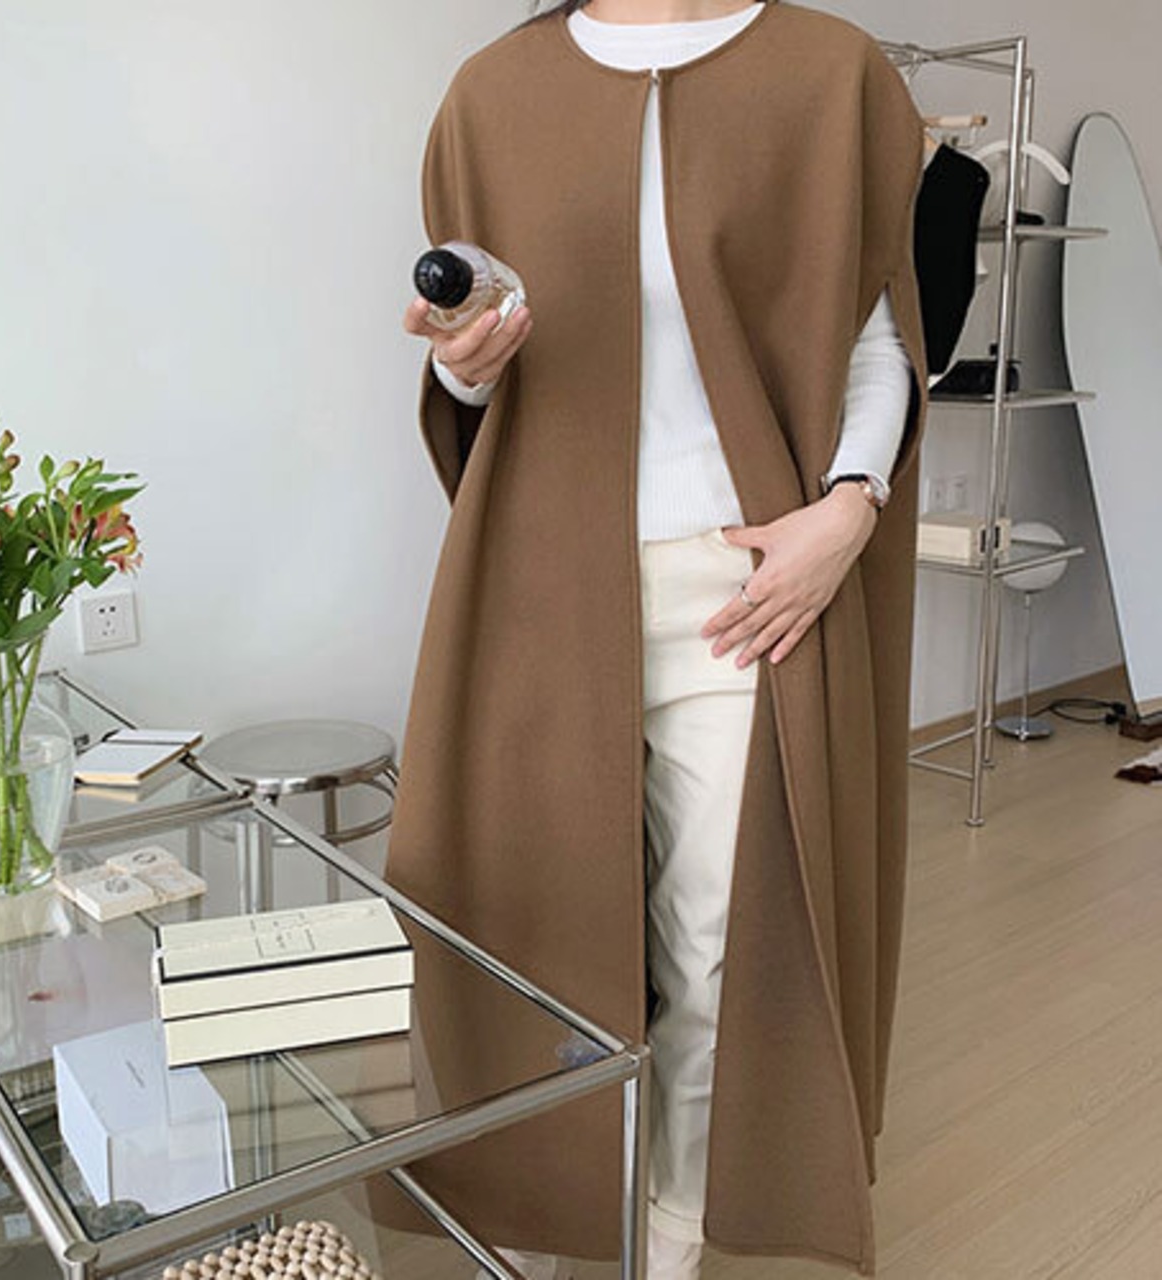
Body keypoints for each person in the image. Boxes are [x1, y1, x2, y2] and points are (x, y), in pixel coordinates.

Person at [384, 1, 928, 1277]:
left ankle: (662, 1246)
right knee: (522, 928)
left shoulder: (831, 73)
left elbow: (874, 335)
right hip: (537, 581)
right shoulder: (489, 95)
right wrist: (463, 368)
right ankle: (537, 1226)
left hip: (742, 583)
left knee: (717, 945)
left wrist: (847, 509)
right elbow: (470, 369)